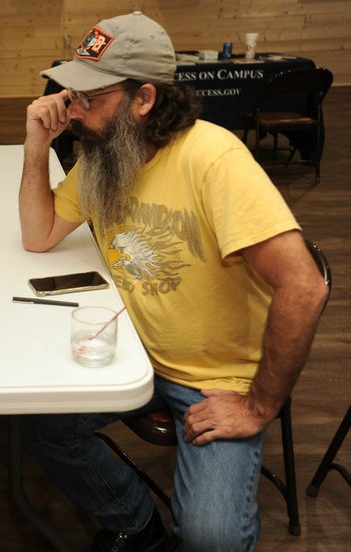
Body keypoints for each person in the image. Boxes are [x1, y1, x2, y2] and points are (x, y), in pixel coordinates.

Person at [19, 12, 328, 552]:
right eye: (71, 94)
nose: (73, 110)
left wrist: (257, 406)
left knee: (211, 540)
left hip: (218, 377)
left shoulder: (214, 157)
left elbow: (305, 286)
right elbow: (39, 234)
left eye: (90, 97)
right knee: (37, 425)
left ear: (143, 100)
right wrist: (35, 146)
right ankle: (136, 523)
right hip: (135, 352)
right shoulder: (104, 155)